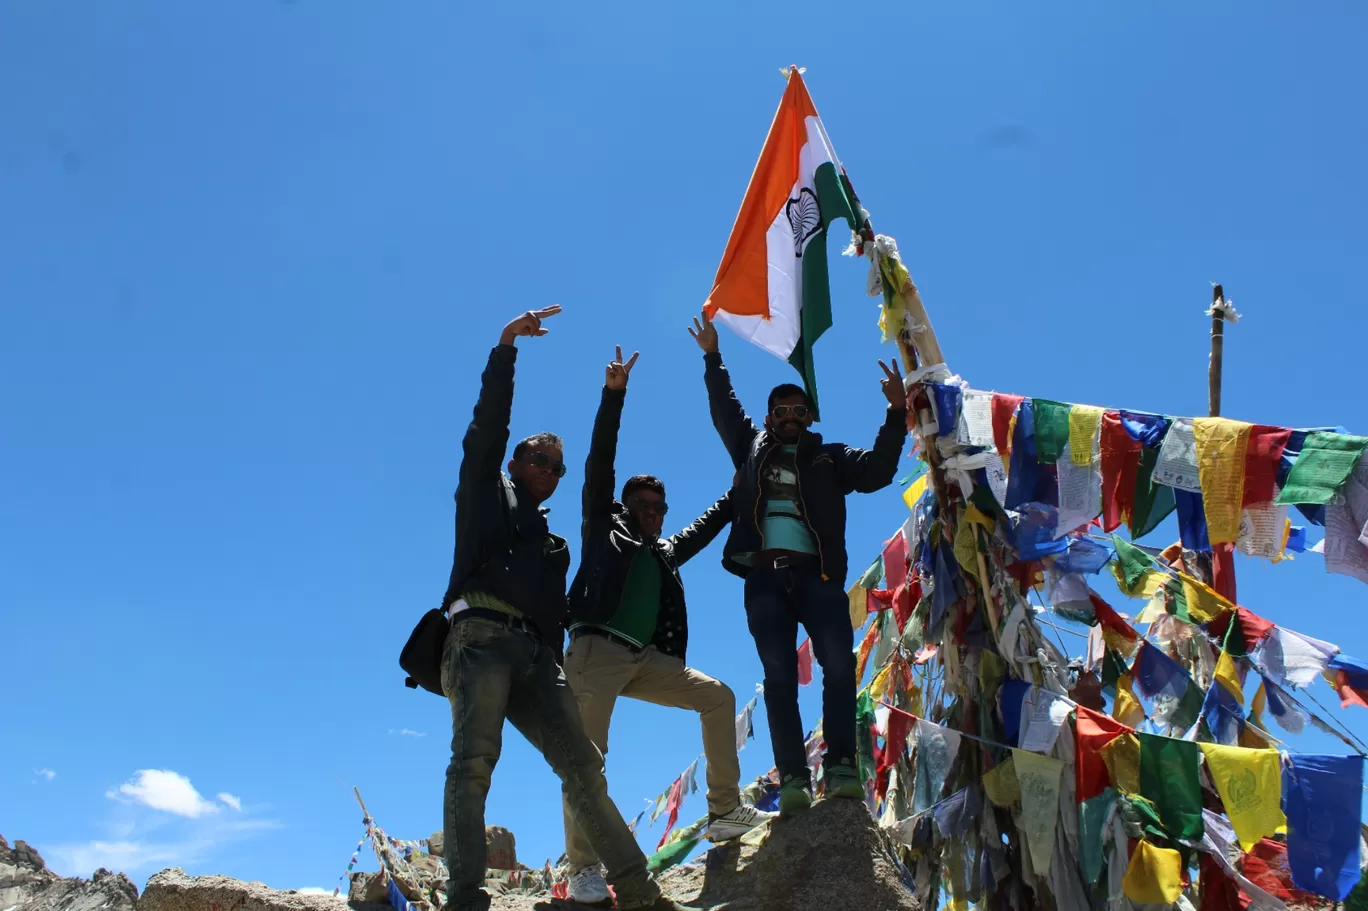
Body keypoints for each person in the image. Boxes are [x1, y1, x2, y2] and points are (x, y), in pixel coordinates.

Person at [440, 307, 697, 911]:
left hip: (538, 655)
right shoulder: (486, 494)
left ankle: (638, 893)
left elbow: (594, 475)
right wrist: (506, 348)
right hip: (480, 635)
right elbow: (487, 429)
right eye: (540, 461)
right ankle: (465, 897)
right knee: (475, 761)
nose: (551, 473)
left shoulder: (552, 542)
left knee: (585, 769)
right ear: (514, 464)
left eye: (557, 467)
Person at [560, 347, 770, 907]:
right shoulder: (605, 532)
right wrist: (614, 396)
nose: (654, 511)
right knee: (588, 759)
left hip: (645, 661)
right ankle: (581, 868)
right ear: (624, 507)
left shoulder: (666, 552)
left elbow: (711, 520)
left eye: (660, 505)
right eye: (644, 503)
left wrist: (747, 476)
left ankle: (724, 811)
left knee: (718, 698)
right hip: (595, 654)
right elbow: (599, 463)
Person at [686, 309, 909, 816]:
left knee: (837, 667)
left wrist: (896, 413)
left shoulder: (831, 458)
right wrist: (713, 357)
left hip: (821, 577)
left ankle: (841, 769)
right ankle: (792, 779)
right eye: (780, 411)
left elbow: (877, 471)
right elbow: (725, 408)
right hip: (765, 580)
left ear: (810, 417)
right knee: (779, 675)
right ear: (769, 419)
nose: (789, 418)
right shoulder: (750, 449)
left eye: (798, 411)